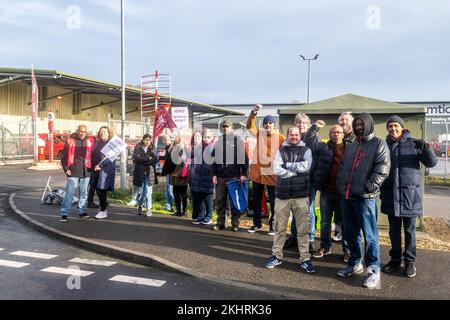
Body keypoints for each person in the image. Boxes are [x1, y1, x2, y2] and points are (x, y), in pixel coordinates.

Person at [336, 112, 390, 289]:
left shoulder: (378, 143)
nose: (359, 127)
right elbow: (344, 167)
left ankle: (373, 270)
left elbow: (382, 169)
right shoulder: (352, 145)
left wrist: (368, 188)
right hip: (348, 197)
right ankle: (354, 263)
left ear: (369, 124)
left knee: (370, 235)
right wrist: (341, 185)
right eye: (357, 125)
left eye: (361, 124)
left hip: (365, 198)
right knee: (351, 234)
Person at [380, 115, 437, 278]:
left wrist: (427, 148)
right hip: (390, 194)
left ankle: (410, 262)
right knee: (393, 231)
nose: (393, 129)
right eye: (390, 126)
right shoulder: (385, 145)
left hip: (409, 196)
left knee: (410, 231)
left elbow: (431, 163)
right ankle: (395, 260)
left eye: (396, 126)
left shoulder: (414, 143)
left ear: (402, 127)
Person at [264, 126, 315, 273]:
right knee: (279, 228)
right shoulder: (280, 151)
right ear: (287, 136)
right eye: (291, 134)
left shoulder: (307, 151)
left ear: (300, 136)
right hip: (283, 196)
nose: (294, 137)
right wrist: (294, 173)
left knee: (303, 229)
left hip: (301, 195)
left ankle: (305, 258)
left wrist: (287, 166)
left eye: (296, 134)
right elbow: (277, 169)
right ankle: (276, 256)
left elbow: (306, 167)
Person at [284, 113, 325, 253]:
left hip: (309, 180)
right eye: (299, 122)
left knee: (309, 210)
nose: (301, 125)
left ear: (308, 124)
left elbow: (317, 159)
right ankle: (295, 237)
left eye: (304, 123)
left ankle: (310, 238)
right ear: (295, 124)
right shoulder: (290, 139)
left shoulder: (313, 137)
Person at [312, 125, 350, 262]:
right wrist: (314, 128)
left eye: (338, 132)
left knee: (345, 223)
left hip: (343, 192)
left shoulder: (350, 148)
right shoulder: (323, 148)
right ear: (329, 134)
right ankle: (325, 247)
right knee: (325, 222)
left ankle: (347, 250)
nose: (335, 134)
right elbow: (309, 142)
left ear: (343, 134)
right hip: (327, 191)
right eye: (333, 132)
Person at [246, 104, 285, 236]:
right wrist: (254, 112)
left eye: (270, 123)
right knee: (256, 200)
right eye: (266, 123)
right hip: (257, 174)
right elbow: (250, 126)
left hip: (272, 175)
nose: (268, 125)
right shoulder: (259, 134)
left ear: (274, 125)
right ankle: (256, 223)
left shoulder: (280, 138)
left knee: (274, 202)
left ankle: (273, 226)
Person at [212, 119, 249, 232]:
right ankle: (220, 222)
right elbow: (213, 159)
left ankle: (235, 223)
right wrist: (214, 174)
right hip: (221, 177)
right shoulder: (218, 142)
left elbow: (245, 160)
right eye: (223, 126)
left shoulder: (237, 141)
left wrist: (244, 174)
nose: (225, 128)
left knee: (234, 201)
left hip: (234, 176)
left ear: (231, 128)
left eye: (227, 126)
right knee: (220, 200)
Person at [59, 125, 95, 222]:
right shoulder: (70, 141)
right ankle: (64, 213)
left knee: (83, 193)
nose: (82, 133)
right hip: (73, 171)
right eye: (80, 131)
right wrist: (66, 169)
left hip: (86, 171)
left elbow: (93, 156)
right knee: (69, 194)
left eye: (84, 131)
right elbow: (63, 157)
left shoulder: (90, 141)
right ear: (77, 131)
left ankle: (81, 211)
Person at [190, 129, 215, 225]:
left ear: (212, 138)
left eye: (208, 137)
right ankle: (200, 216)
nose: (206, 139)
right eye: (205, 137)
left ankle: (209, 217)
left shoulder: (214, 148)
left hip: (208, 176)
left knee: (208, 198)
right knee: (199, 197)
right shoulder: (199, 147)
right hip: (198, 175)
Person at [90, 126, 116, 220]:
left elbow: (111, 157)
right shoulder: (98, 143)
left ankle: (103, 210)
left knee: (102, 189)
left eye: (104, 131)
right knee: (98, 189)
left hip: (105, 170)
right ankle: (103, 209)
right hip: (95, 170)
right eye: (101, 131)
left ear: (108, 133)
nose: (102, 133)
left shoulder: (111, 144)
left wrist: (100, 166)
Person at [132, 134, 158, 217]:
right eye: (146, 139)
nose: (147, 141)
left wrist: (142, 159)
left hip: (149, 173)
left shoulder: (153, 148)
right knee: (140, 192)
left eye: (149, 140)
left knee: (148, 192)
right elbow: (135, 158)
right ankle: (140, 206)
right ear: (143, 139)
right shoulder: (138, 147)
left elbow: (154, 159)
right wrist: (147, 158)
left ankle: (148, 209)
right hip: (139, 172)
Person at [169, 136, 189, 217]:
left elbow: (186, 165)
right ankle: (178, 211)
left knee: (183, 195)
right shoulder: (173, 151)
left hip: (181, 177)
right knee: (176, 194)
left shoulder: (184, 151)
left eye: (179, 142)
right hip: (174, 177)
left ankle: (184, 212)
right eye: (176, 142)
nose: (177, 144)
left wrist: (178, 174)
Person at [162, 135, 175, 212]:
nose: (165, 141)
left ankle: (173, 206)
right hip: (168, 172)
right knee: (167, 190)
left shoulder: (172, 148)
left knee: (170, 190)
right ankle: (168, 206)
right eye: (164, 139)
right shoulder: (167, 148)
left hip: (171, 172)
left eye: (167, 139)